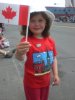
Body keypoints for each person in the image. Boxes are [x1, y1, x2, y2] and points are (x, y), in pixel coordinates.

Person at [15, 6, 60, 100]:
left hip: (46, 81)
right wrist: (19, 53)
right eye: (32, 21)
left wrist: (55, 74)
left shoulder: (50, 41)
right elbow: (22, 58)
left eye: (40, 20)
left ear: (46, 22)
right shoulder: (26, 41)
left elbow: (54, 58)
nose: (36, 24)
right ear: (27, 23)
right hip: (31, 84)